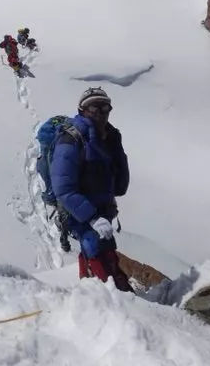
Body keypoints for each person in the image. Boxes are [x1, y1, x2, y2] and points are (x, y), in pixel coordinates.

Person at [50, 87, 132, 291]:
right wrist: (92, 217)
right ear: (82, 110)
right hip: (81, 213)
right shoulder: (71, 139)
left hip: (103, 210)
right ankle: (101, 293)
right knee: (93, 248)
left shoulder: (109, 137)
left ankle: (97, 289)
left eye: (105, 107)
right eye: (94, 107)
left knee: (107, 249)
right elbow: (63, 188)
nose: (101, 113)